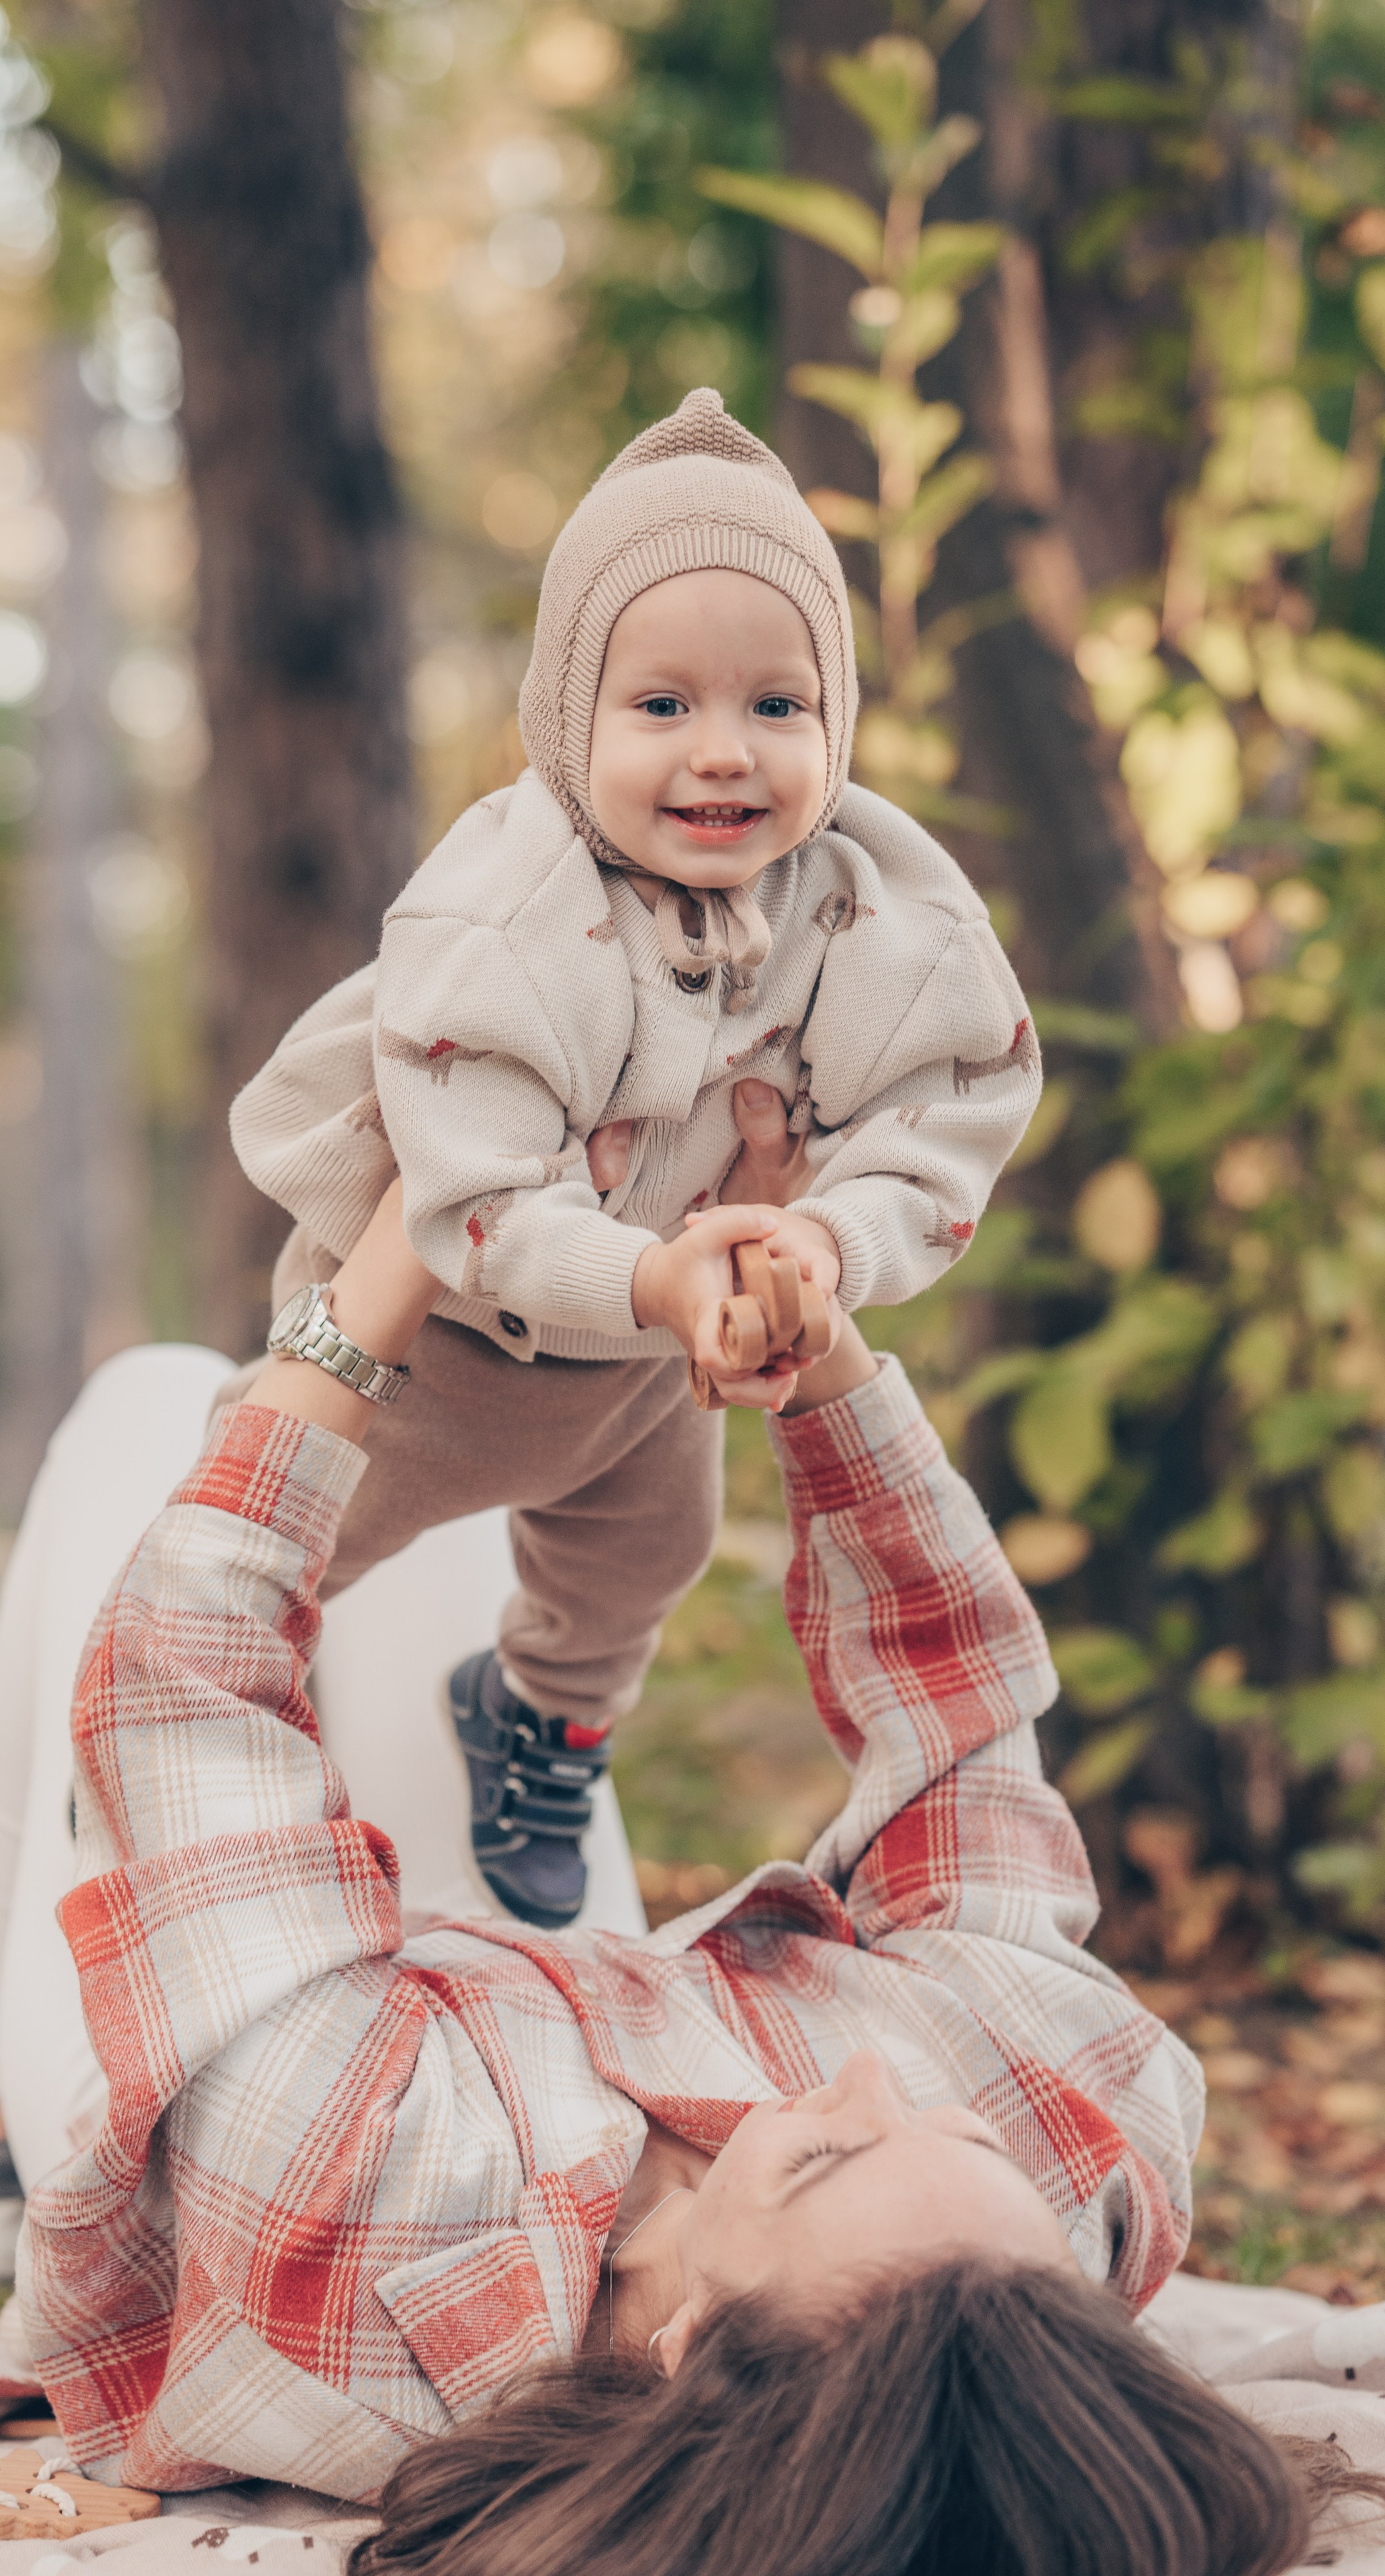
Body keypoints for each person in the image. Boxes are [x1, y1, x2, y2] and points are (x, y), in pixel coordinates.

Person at [0, 1096, 1314, 2576]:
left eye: (819, 2159)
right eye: (956, 2131)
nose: (870, 2083)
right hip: (532, 2021)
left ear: (688, 2345)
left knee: (147, 1411)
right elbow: (962, 1733)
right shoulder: (1066, 2179)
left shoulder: (360, 2212)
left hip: (240, 2111)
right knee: (479, 1469)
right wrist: (811, 1337)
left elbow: (180, 1694)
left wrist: (401, 1249)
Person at [230, 386, 1041, 1930]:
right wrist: (653, 1273)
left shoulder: (857, 904)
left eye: (776, 705)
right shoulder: (511, 905)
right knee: (301, 1535)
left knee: (642, 1559)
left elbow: (939, 1104)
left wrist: (824, 1242)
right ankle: (188, 1709)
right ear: (566, 720)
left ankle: (537, 1720)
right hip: (443, 1340)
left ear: (834, 719)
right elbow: (471, 1190)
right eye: (660, 706)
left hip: (653, 1359)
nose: (722, 754)